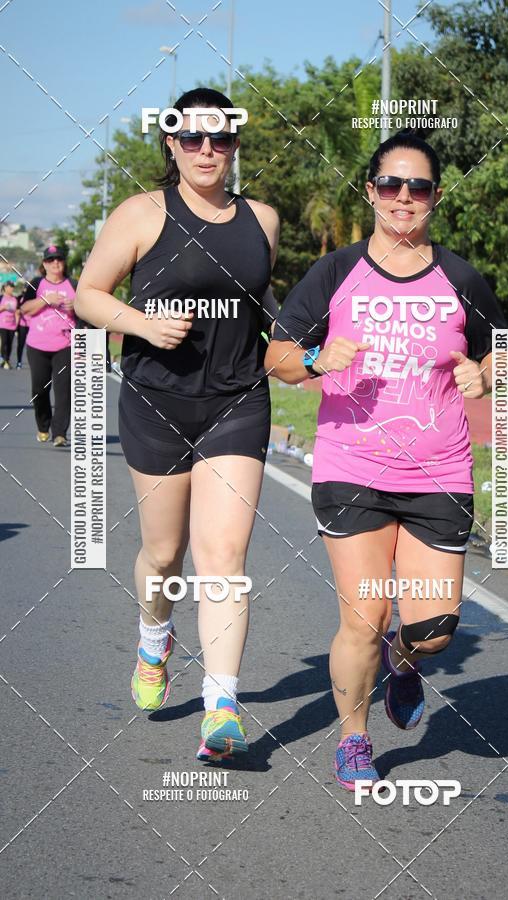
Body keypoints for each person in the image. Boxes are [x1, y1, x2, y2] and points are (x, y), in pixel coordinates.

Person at [266, 132, 507, 791]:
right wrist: (317, 359)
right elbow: (277, 356)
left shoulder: (460, 277)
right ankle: (353, 738)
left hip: (440, 471)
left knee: (433, 628)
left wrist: (487, 376)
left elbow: (505, 350)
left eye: (419, 186)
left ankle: (405, 663)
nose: (405, 198)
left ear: (434, 197)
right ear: (371, 192)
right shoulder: (336, 272)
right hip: (353, 467)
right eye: (392, 185)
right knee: (363, 616)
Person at [75, 88, 279, 762]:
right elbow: (88, 294)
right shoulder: (141, 213)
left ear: (234, 144)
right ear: (170, 144)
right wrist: (142, 324)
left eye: (218, 138)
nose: (205, 150)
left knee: (223, 557)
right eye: (190, 137)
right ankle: (153, 638)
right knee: (164, 555)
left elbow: (266, 318)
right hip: (157, 399)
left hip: (237, 402)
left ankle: (221, 707)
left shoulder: (264, 221)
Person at [20, 246, 77, 446]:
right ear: (44, 264)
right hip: (37, 345)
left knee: (64, 390)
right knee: (39, 389)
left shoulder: (74, 284)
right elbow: (25, 309)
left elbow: (89, 310)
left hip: (66, 345)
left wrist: (76, 306)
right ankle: (43, 426)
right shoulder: (36, 284)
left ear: (64, 262)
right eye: (51, 260)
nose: (55, 263)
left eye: (59, 259)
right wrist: (45, 300)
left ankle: (60, 433)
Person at [0, 281, 18, 369]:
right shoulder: (1, 298)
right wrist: (3, 308)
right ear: (5, 288)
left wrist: (17, 324)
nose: (11, 289)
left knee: (10, 344)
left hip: (12, 325)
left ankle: (7, 359)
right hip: (2, 324)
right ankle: (4, 359)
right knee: (4, 342)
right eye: (10, 287)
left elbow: (17, 312)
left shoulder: (14, 299)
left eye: (12, 287)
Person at [15, 285, 30, 369]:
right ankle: (19, 361)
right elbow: (17, 310)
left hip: (32, 325)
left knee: (32, 346)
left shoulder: (35, 297)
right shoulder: (20, 298)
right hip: (22, 324)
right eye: (26, 288)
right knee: (21, 344)